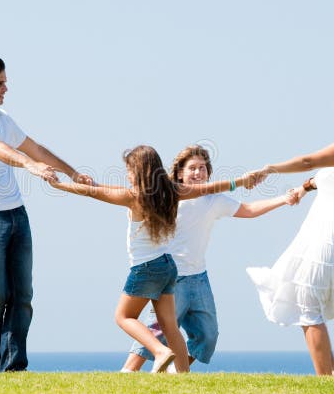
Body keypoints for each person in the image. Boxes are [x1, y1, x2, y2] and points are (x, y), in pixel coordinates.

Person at [49, 145, 262, 373]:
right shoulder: (172, 191)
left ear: (138, 171)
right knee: (170, 326)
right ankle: (182, 376)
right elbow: (208, 188)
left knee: (123, 316)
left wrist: (58, 184)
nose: (127, 175)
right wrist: (239, 181)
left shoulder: (133, 197)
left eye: (129, 170)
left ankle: (159, 351)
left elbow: (93, 194)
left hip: (145, 268)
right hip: (168, 267)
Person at [0, 56, 93, 372]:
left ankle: (14, 367)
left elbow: (34, 148)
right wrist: (29, 166)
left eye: (5, 82)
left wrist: (71, 172)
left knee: (23, 295)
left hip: (16, 214)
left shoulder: (4, 120)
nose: (5, 88)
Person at [120, 144, 298, 373]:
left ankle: (173, 374)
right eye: (192, 168)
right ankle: (127, 373)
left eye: (203, 168)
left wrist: (283, 199)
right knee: (158, 330)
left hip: (199, 278)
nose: (198, 172)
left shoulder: (214, 200)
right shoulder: (170, 195)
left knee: (207, 337)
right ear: (179, 173)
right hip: (172, 277)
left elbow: (249, 209)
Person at [247, 89, 334, 376]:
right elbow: (321, 177)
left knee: (308, 305)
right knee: (307, 300)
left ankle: (324, 381)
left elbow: (309, 162)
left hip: (333, 230)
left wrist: (269, 168)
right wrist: (303, 190)